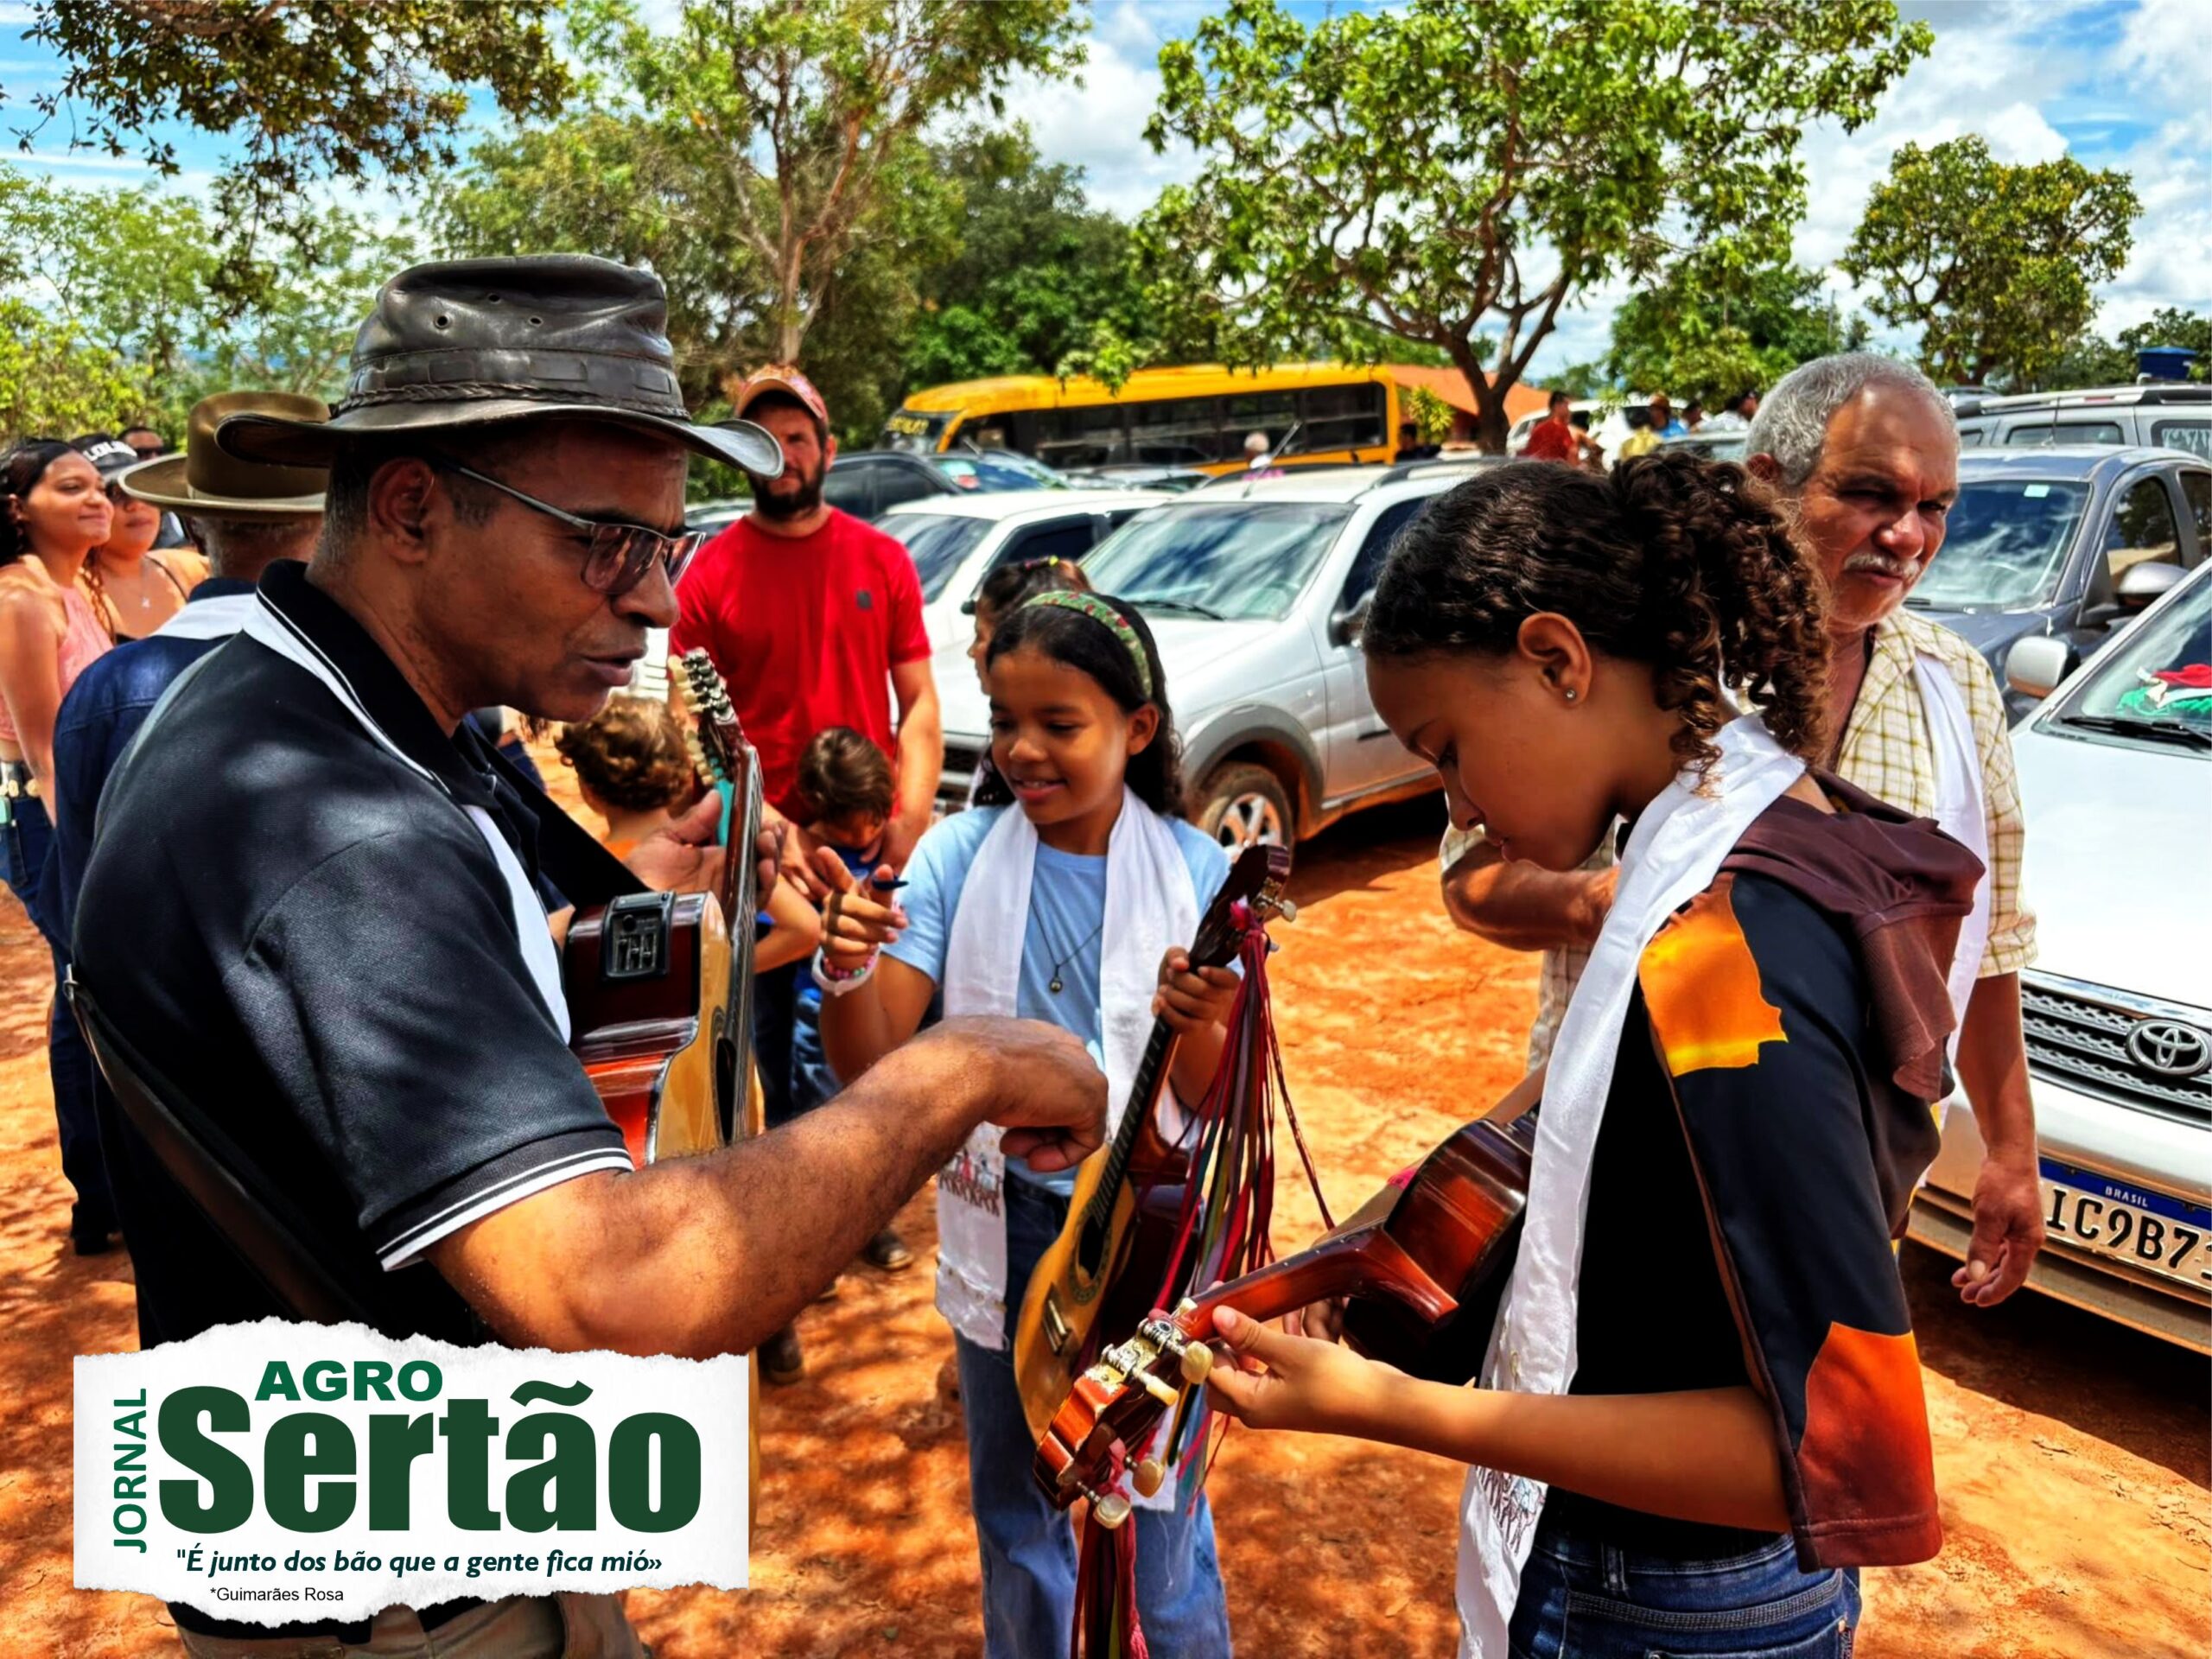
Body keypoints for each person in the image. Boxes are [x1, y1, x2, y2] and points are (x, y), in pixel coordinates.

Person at [72, 256, 1107, 1659]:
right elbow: (619, 1295)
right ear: (413, 507)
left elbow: (459, 987)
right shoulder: (338, 822)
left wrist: (704, 913)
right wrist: (965, 1065)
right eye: (603, 540)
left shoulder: (315, 713)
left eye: (667, 546)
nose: (659, 601)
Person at [1205, 454, 1971, 1657]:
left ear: (1559, 661)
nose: (1451, 803)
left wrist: (1397, 1407)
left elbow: (1826, 1456)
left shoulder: (1724, 949)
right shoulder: (1730, 833)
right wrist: (1371, 1244)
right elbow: (1596, 1090)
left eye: (1448, 747)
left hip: (1669, 1600)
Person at [1443, 350, 2041, 1309]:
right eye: (1870, 494)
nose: (1905, 536)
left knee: (1796, 1422)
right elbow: (1468, 877)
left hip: (1838, 1193)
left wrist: (2010, 1152)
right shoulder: (1647, 668)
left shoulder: (1956, 684)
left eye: (1934, 507)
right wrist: (1608, 901)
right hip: (1621, 1165)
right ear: (1766, 484)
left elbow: (1990, 941)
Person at [817, 589, 1240, 1659]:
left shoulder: (1194, 873)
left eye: (1060, 725)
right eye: (1006, 721)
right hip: (1003, 1228)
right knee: (1019, 1515)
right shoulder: (957, 857)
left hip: (1149, 1237)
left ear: (1136, 731)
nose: (1020, 750)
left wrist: (1201, 1018)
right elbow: (873, 1065)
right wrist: (850, 961)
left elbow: (1217, 1092)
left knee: (1157, 1515)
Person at [671, 363, 944, 1362]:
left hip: (867, 852)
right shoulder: (706, 576)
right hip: (764, 857)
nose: (781, 457)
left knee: (865, 1045)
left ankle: (856, 1207)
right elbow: (700, 727)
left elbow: (917, 702)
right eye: (761, 440)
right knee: (763, 1062)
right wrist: (770, 827)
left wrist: (908, 817)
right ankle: (775, 1281)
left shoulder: (883, 557)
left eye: (797, 437)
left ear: (827, 447)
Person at [0, 439, 116, 1253]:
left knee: (90, 988)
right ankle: (99, 1193)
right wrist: (85, 847)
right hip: (46, 815)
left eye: (99, 485)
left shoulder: (77, 591)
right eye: (70, 486)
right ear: (17, 508)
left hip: (90, 805)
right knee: (85, 989)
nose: (97, 497)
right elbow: (41, 750)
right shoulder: (17, 600)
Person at [555, 693, 819, 980]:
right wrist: (715, 975)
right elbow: (805, 929)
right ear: (682, 778)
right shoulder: (712, 859)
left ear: (589, 792)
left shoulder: (579, 875)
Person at [73, 434, 203, 639]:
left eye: (140, 489)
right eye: (113, 493)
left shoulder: (191, 570)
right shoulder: (69, 591)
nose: (135, 504)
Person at [120, 423, 193, 548]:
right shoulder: (120, 509)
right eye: (143, 453)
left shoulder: (182, 499)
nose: (154, 458)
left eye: (159, 452)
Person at [1521, 391, 1580, 463]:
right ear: (1557, 406)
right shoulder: (1559, 428)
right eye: (1567, 406)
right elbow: (1573, 454)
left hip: (1535, 470)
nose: (1569, 411)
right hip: (1554, 471)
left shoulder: (1538, 428)